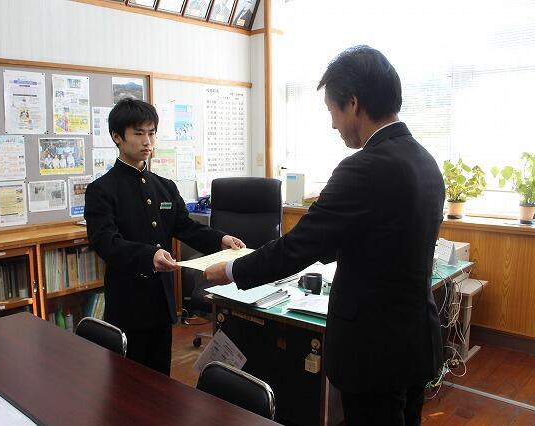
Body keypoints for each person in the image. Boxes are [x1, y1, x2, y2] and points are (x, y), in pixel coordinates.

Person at [205, 46, 445, 425]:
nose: (333, 124)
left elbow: (298, 247)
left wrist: (233, 271)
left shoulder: (363, 168)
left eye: (332, 111)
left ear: (354, 103)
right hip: (415, 340)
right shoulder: (425, 161)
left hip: (373, 349)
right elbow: (379, 238)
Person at [84, 98, 245, 375]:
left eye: (152, 133)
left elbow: (185, 227)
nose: (147, 141)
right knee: (127, 381)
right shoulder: (102, 190)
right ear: (117, 136)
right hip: (128, 304)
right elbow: (106, 243)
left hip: (161, 301)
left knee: (160, 376)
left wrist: (220, 240)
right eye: (138, 133)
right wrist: (150, 255)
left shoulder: (165, 186)